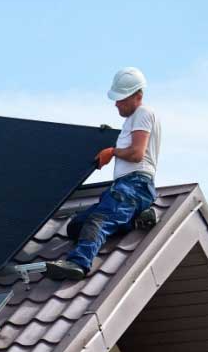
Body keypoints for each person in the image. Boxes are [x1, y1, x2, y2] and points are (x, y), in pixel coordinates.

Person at [46, 67, 161, 281]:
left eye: (122, 99)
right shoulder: (132, 120)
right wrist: (110, 139)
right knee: (76, 226)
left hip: (133, 185)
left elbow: (136, 154)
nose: (116, 103)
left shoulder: (143, 113)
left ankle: (78, 263)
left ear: (138, 96)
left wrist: (113, 151)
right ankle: (136, 218)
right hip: (128, 188)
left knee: (97, 220)